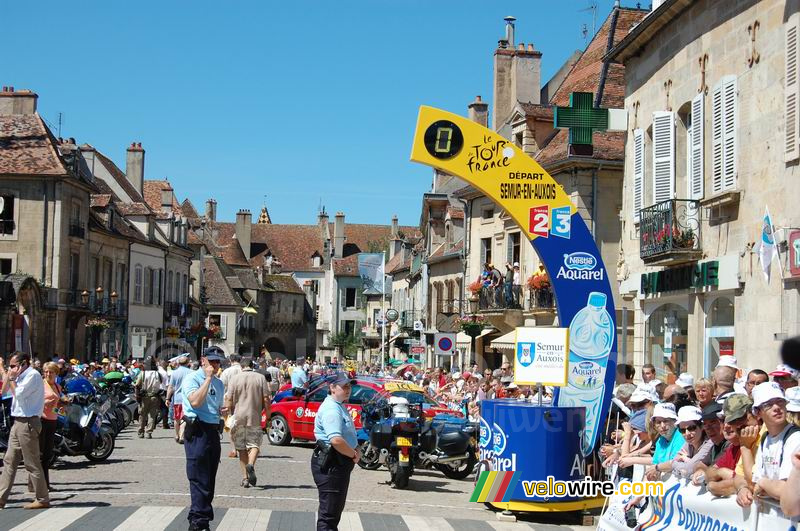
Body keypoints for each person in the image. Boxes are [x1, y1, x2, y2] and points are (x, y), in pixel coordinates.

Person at [182, 350, 226, 531]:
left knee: (209, 478)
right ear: (203, 360)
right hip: (197, 430)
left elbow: (215, 406)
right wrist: (207, 379)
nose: (215, 365)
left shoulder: (219, 383)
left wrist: (222, 412)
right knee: (198, 477)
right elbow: (195, 402)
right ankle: (200, 521)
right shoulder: (193, 379)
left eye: (218, 362)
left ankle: (199, 517)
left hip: (212, 431)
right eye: (212, 361)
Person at [737, 382, 800, 506]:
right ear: (758, 412)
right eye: (768, 405)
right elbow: (753, 479)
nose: (776, 407)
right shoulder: (766, 438)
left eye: (780, 401)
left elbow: (787, 491)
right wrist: (744, 446)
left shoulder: (795, 438)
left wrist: (763, 484)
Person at [0, 352, 50, 509]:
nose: (12, 368)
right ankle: (1, 497)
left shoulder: (32, 376)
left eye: (14, 365)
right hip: (18, 421)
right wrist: (6, 372)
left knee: (31, 462)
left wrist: (13, 378)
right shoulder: (20, 375)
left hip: (28, 422)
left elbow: (20, 395)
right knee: (9, 460)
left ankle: (42, 498)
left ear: (23, 364)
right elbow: (4, 391)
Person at [312, 373, 360, 531]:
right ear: (332, 388)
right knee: (329, 516)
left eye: (349, 386)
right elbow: (336, 440)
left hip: (337, 463)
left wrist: (356, 447)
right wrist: (353, 454)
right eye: (344, 386)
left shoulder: (338, 405)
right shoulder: (332, 409)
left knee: (332, 512)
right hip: (332, 464)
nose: (348, 390)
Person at [225, 356, 271, 488]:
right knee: (255, 444)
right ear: (252, 365)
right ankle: (251, 464)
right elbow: (266, 399)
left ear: (241, 366)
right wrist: (268, 414)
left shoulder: (235, 378)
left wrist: (227, 415)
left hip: (238, 417)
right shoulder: (260, 378)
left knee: (241, 448)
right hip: (254, 416)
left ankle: (245, 478)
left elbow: (228, 399)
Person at [40, 361, 65, 489]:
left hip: (52, 420)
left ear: (56, 373)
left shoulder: (57, 386)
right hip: (41, 420)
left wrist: (61, 407)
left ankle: (42, 484)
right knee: (41, 454)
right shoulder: (40, 385)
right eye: (46, 372)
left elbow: (55, 408)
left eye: (51, 372)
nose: (48, 374)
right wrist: (46, 403)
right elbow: (37, 404)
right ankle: (43, 485)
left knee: (47, 454)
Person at [135, 356, 163, 439]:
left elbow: (137, 385)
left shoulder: (143, 373)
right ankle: (149, 432)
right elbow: (161, 383)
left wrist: (137, 396)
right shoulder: (157, 374)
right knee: (152, 415)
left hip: (144, 397)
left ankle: (141, 431)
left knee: (142, 415)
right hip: (155, 397)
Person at [167, 355, 192, 444]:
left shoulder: (174, 373)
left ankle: (177, 435)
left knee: (176, 418)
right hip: (188, 399)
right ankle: (182, 435)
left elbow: (170, 387)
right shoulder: (191, 372)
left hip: (177, 399)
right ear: (187, 363)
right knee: (185, 418)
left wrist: (167, 398)